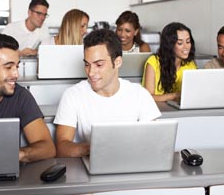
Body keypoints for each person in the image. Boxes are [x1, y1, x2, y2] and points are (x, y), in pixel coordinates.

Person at [54, 29, 161, 157]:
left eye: (99, 65)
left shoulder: (140, 94)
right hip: (90, 169)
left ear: (117, 62)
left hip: (132, 164)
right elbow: (61, 147)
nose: (91, 72)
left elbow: (154, 142)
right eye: (87, 65)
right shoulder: (73, 95)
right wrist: (94, 148)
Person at [0, 33, 56, 163]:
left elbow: (48, 148)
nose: (16, 74)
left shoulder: (20, 96)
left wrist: (18, 154)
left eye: (17, 66)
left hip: (7, 178)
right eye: (8, 67)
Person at [142, 22, 197, 102]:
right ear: (169, 45)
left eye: (188, 42)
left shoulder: (190, 64)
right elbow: (148, 97)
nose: (186, 47)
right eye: (180, 43)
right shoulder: (153, 62)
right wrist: (175, 95)